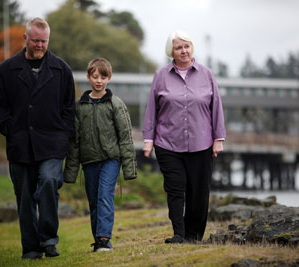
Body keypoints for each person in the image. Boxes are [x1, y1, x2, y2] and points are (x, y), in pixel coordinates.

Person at [0, 18, 75, 259]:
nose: (40, 45)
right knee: (25, 197)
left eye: (44, 41)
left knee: (49, 181)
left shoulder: (62, 70)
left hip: (52, 143)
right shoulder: (6, 70)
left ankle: (48, 239)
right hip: (20, 144)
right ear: (25, 38)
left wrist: (63, 135)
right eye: (35, 40)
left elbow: (69, 109)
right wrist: (12, 130)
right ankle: (31, 247)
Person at [142, 31, 226, 244]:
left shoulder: (207, 74)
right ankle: (179, 233)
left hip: (202, 142)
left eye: (186, 46)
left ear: (192, 48)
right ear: (172, 51)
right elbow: (152, 108)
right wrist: (148, 139)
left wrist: (219, 138)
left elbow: (216, 107)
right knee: (175, 189)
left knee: (198, 192)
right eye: (178, 47)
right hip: (167, 142)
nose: (183, 51)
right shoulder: (161, 75)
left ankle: (194, 236)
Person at [63, 58, 137, 252]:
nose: (99, 80)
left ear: (109, 78)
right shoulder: (80, 106)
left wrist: (129, 167)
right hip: (89, 161)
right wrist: (70, 172)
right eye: (95, 76)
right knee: (94, 201)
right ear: (88, 77)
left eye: (103, 77)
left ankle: (104, 239)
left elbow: (125, 136)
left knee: (105, 196)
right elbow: (75, 141)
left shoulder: (115, 104)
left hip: (110, 160)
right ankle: (98, 239)